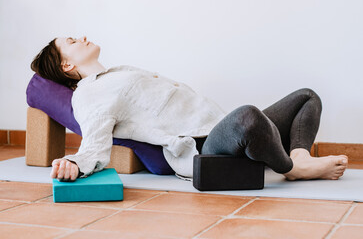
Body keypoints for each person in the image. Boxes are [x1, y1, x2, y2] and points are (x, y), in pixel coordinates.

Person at [31, 36, 348, 182]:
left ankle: (299, 156)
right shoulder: (89, 95)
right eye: (72, 41)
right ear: (67, 64)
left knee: (306, 96)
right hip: (203, 147)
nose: (82, 38)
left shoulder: (117, 73)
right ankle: (291, 169)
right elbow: (95, 141)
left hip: (221, 128)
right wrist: (75, 163)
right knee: (249, 115)